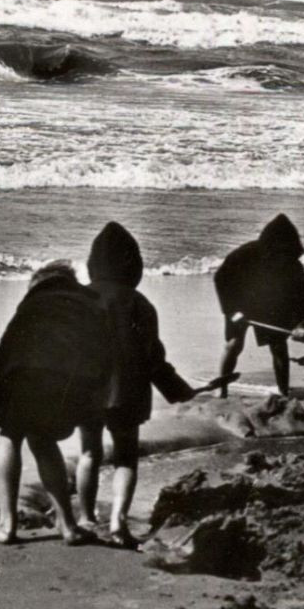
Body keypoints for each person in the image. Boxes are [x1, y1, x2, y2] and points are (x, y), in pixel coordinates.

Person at [76, 222, 200, 549]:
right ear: (134, 266)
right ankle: (118, 521)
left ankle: (86, 517)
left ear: (93, 264)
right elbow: (153, 359)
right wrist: (178, 390)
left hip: (85, 393)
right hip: (126, 394)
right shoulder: (141, 304)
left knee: (88, 452)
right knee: (125, 459)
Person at [0, 260, 112, 547]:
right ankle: (68, 525)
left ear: (37, 283)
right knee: (43, 438)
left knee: (9, 435)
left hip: (31, 378)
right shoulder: (92, 306)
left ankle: (6, 524)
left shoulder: (34, 305)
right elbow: (105, 359)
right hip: (77, 385)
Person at [213, 213, 304, 397]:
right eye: (280, 249)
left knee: (279, 347)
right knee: (234, 344)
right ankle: (222, 390)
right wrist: (231, 311)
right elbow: (221, 278)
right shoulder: (245, 253)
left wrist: (300, 324)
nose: (283, 254)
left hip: (269, 306)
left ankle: (284, 392)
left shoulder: (292, 263)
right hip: (239, 303)